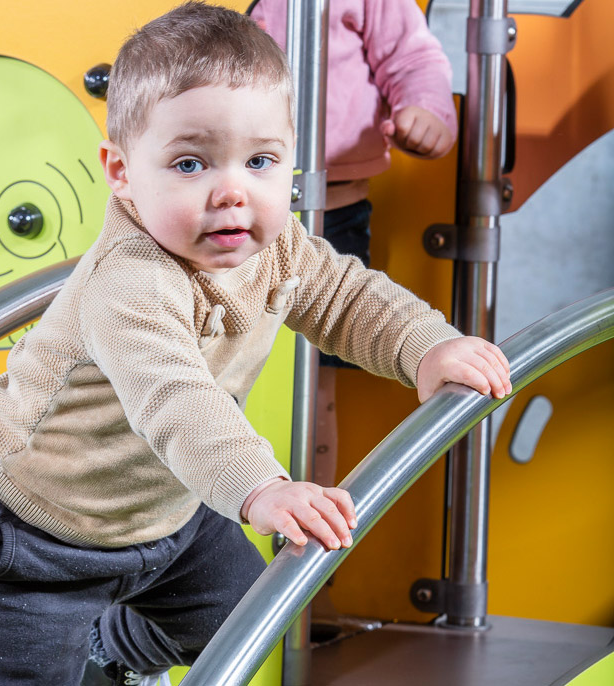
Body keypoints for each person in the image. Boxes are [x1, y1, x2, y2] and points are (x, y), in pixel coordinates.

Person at [0, 3, 510, 685]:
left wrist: (427, 347)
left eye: (261, 160)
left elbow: (347, 298)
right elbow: (176, 400)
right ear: (121, 171)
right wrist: (261, 488)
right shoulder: (132, 281)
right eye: (190, 163)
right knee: (25, 674)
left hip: (168, 511)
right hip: (34, 531)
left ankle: (111, 649)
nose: (232, 192)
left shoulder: (274, 247)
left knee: (244, 617)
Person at [249, 0, 459, 640]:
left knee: (313, 398)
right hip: (220, 214)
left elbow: (413, 57)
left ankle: (306, 587)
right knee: (219, 387)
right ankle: (220, 580)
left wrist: (427, 111)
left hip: (325, 212)